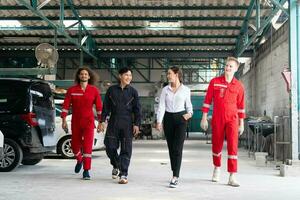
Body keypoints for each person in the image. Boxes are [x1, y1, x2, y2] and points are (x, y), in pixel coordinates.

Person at [200, 57, 245, 187]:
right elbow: (207, 100)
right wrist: (204, 117)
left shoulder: (239, 86)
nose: (228, 68)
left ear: (236, 69)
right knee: (216, 144)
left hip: (233, 119)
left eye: (231, 66)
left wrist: (241, 123)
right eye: (226, 65)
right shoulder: (215, 82)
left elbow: (241, 106)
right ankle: (217, 168)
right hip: (218, 118)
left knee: (233, 146)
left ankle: (232, 175)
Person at [99, 67, 141, 184]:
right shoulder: (111, 90)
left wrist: (137, 124)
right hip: (113, 121)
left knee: (126, 149)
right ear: (120, 76)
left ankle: (123, 174)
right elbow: (106, 107)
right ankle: (116, 164)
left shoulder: (133, 92)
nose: (129, 77)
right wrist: (102, 121)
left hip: (127, 123)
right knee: (110, 146)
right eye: (126, 75)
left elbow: (137, 110)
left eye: (130, 75)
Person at [61, 66, 102, 180]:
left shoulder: (94, 90)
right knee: (74, 147)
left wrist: (101, 122)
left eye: (86, 74)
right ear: (78, 76)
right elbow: (65, 106)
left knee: (88, 147)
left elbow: (99, 107)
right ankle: (80, 160)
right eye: (82, 74)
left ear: (89, 77)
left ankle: (86, 170)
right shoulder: (72, 90)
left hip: (89, 122)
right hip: (76, 122)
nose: (84, 75)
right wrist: (64, 120)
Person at [156, 66, 193, 188]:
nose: (168, 76)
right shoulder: (165, 90)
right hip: (168, 119)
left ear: (177, 74)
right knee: (171, 149)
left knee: (177, 148)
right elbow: (161, 106)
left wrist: (188, 115)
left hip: (181, 119)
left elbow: (189, 107)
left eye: (169, 73)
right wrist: (159, 121)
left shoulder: (186, 90)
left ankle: (175, 176)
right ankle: (174, 172)